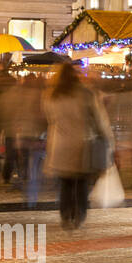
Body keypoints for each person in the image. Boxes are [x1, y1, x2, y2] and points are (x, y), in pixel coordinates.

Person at [43, 63, 112, 229]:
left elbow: (49, 118)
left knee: (66, 184)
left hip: (59, 143)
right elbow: (98, 118)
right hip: (82, 143)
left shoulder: (51, 95)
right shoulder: (85, 93)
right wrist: (105, 137)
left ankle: (65, 215)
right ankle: (79, 215)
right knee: (81, 183)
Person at [11, 74, 48, 208]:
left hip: (24, 137)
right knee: (34, 168)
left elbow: (15, 117)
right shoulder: (42, 96)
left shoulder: (19, 97)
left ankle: (28, 196)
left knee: (25, 166)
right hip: (37, 137)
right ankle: (32, 198)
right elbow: (45, 117)